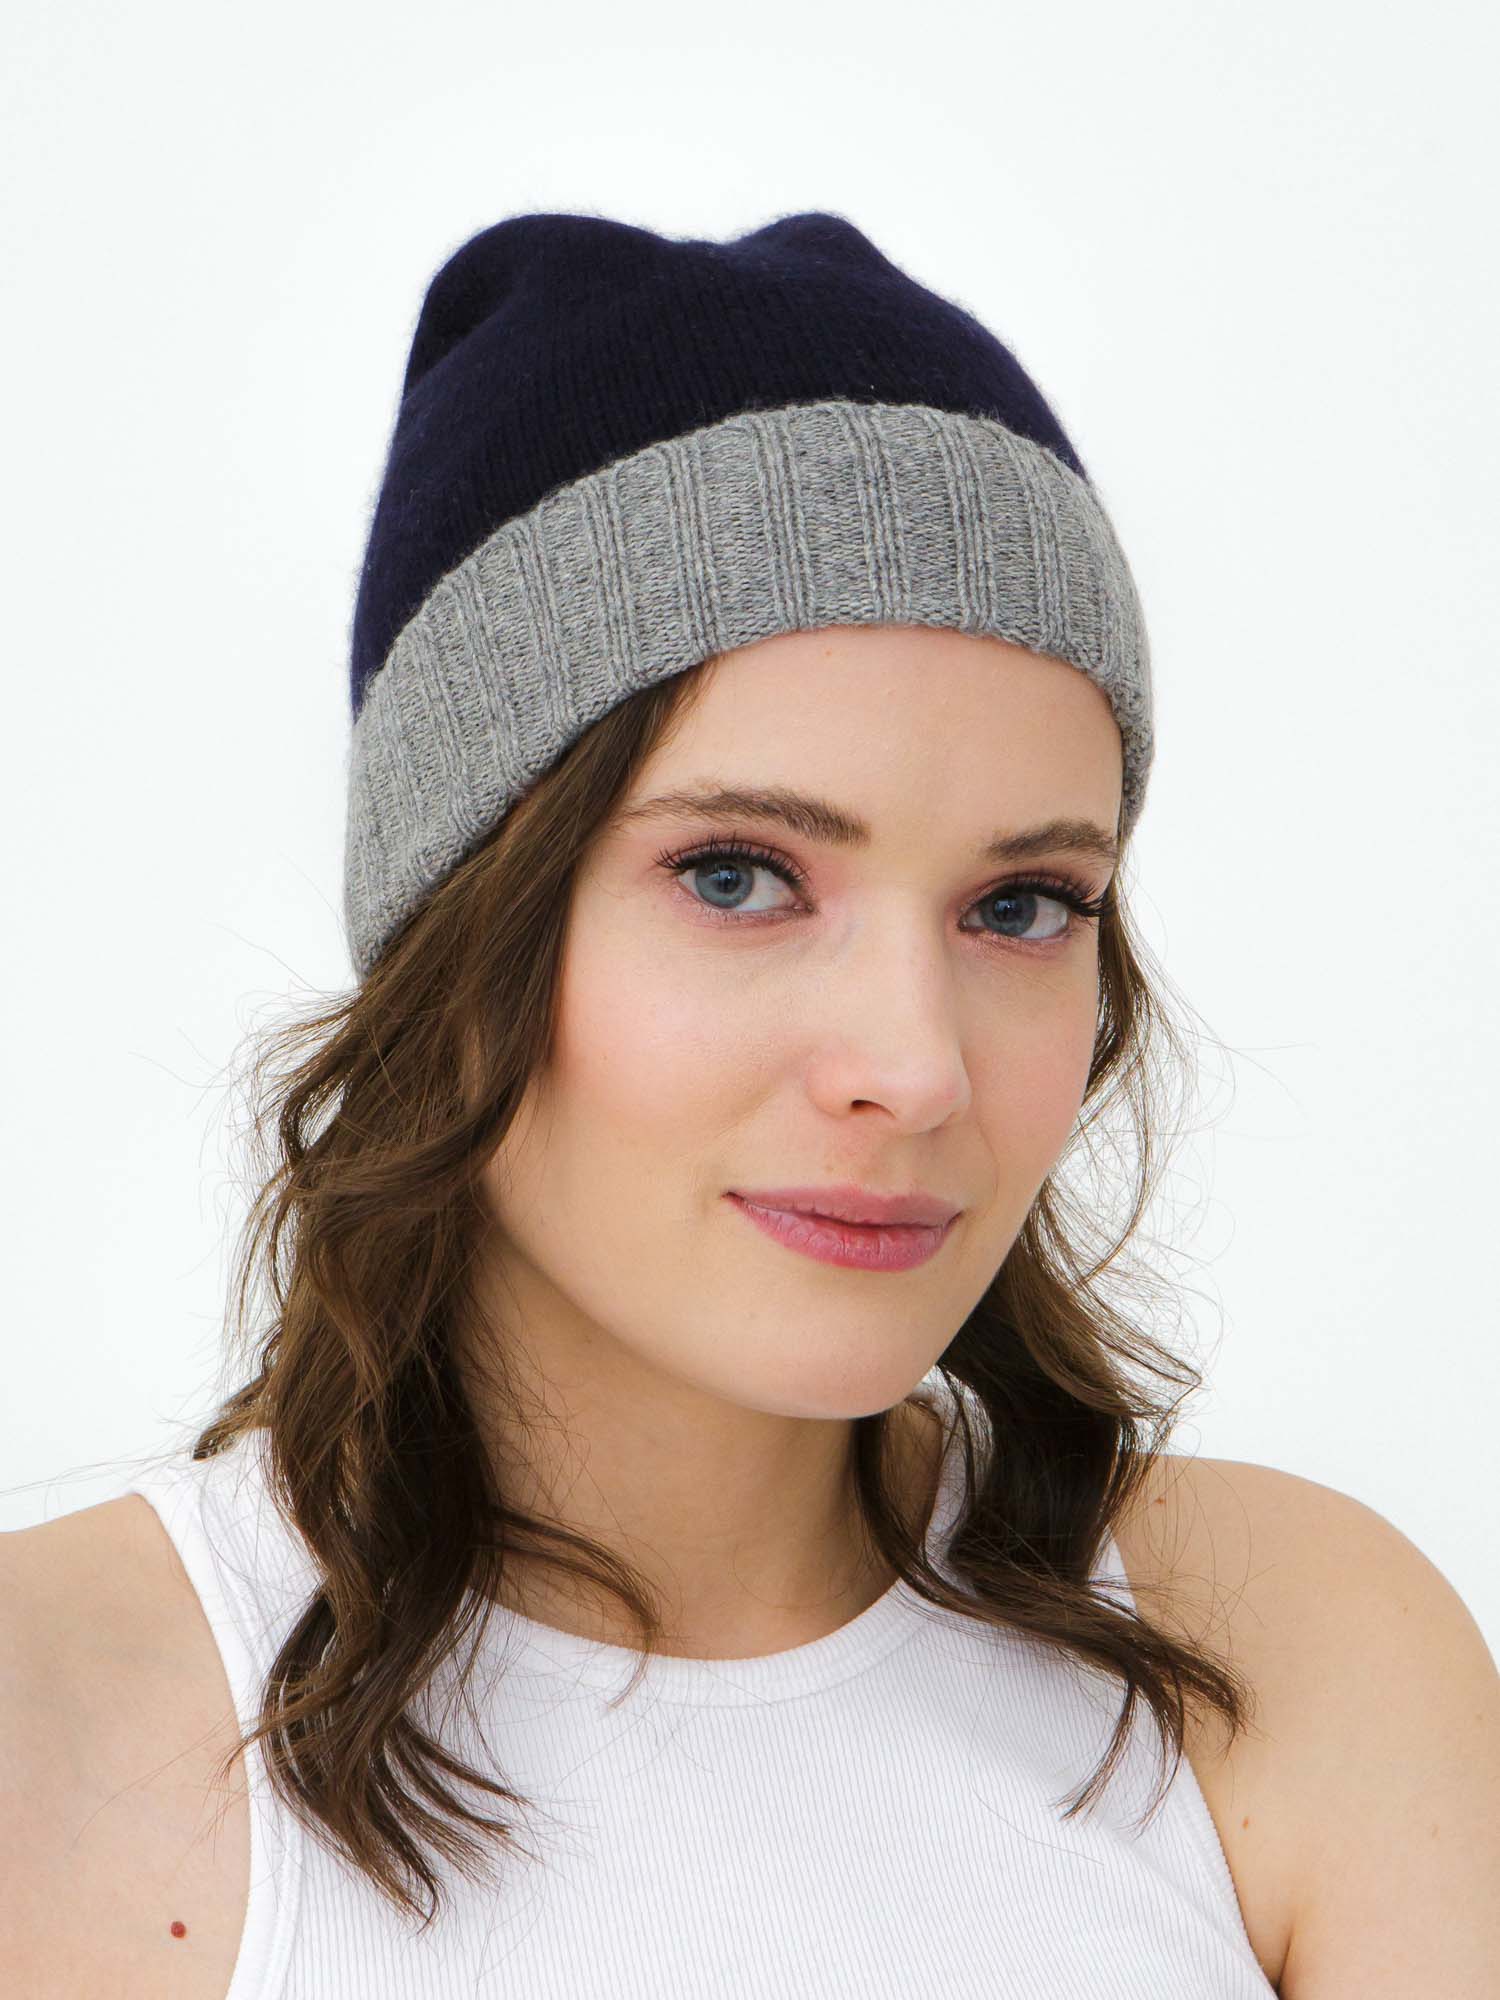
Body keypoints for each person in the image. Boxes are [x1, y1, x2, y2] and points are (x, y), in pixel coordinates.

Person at [4, 210, 1495, 2000]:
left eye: (1025, 905)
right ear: (454, 935)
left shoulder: (1292, 1661)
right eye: (737, 876)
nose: (916, 1066)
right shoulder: (55, 1729)